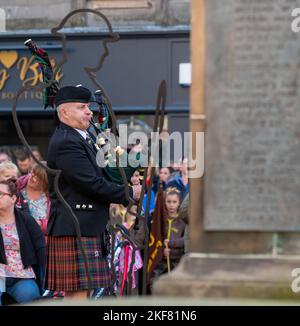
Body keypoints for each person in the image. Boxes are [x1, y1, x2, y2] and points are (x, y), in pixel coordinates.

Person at [45, 85, 139, 300]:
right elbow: (90, 183)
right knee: (78, 293)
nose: (89, 111)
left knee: (84, 291)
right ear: (64, 112)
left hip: (85, 224)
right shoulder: (67, 141)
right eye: (82, 107)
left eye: (88, 106)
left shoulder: (81, 137)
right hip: (75, 226)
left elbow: (101, 175)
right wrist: (130, 192)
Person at [0, 180, 46, 305]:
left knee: (30, 295)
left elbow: (40, 246)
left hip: (22, 275)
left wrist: (47, 274)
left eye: (0, 194)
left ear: (13, 198)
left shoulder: (26, 219)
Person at [15, 162, 50, 236]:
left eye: (37, 177)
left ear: (45, 182)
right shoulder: (17, 186)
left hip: (40, 239)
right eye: (32, 172)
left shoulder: (50, 197)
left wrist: (41, 224)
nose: (31, 177)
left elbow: (55, 223)